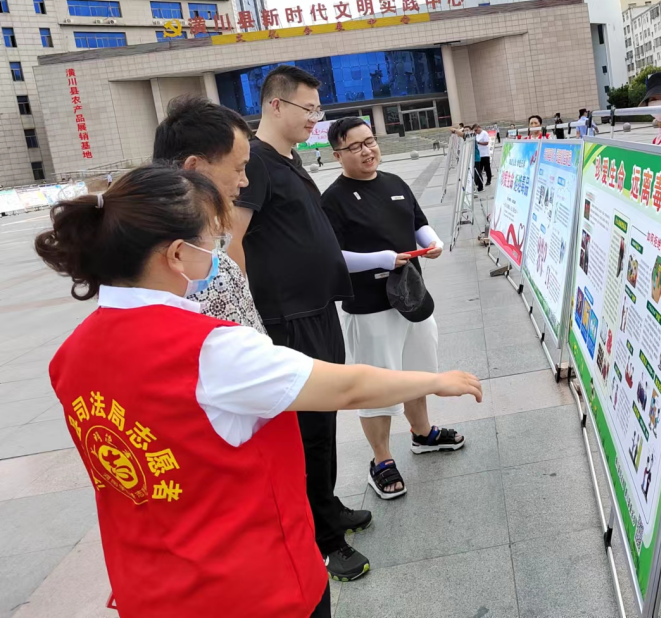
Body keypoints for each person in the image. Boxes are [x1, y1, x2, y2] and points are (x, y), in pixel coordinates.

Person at [39, 165, 481, 618]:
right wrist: (435, 380)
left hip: (149, 587)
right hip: (251, 586)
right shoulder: (209, 349)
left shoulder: (70, 354)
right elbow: (346, 388)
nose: (218, 253)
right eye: (211, 241)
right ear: (177, 253)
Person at [229, 65, 370, 582]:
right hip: (287, 319)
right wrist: (245, 319)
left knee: (324, 421)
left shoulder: (289, 159)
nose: (316, 118)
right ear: (275, 105)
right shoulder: (256, 162)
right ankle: (321, 541)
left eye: (317, 109)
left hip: (317, 310)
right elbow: (234, 241)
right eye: (308, 109)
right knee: (306, 433)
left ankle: (326, 508)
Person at [321, 118, 462, 500]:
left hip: (411, 298)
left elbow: (418, 224)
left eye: (370, 141)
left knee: (418, 372)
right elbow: (332, 256)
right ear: (337, 155)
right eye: (355, 147)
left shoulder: (395, 183)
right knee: (377, 386)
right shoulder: (333, 200)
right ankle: (381, 460)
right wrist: (380, 259)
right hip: (369, 307)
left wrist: (432, 242)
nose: (367, 151)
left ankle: (423, 433)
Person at [152, 96, 264, 332]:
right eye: (239, 169)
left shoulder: (203, 234)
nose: (244, 181)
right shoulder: (163, 259)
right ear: (194, 168)